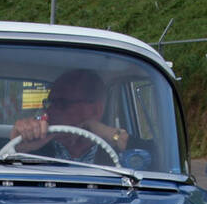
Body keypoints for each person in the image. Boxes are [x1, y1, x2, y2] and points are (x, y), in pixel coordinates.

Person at [9, 69, 147, 166]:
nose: (50, 110)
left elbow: (160, 161)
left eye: (62, 103)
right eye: (50, 103)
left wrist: (114, 135)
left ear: (94, 110)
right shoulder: (36, 149)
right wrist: (20, 147)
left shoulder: (117, 154)